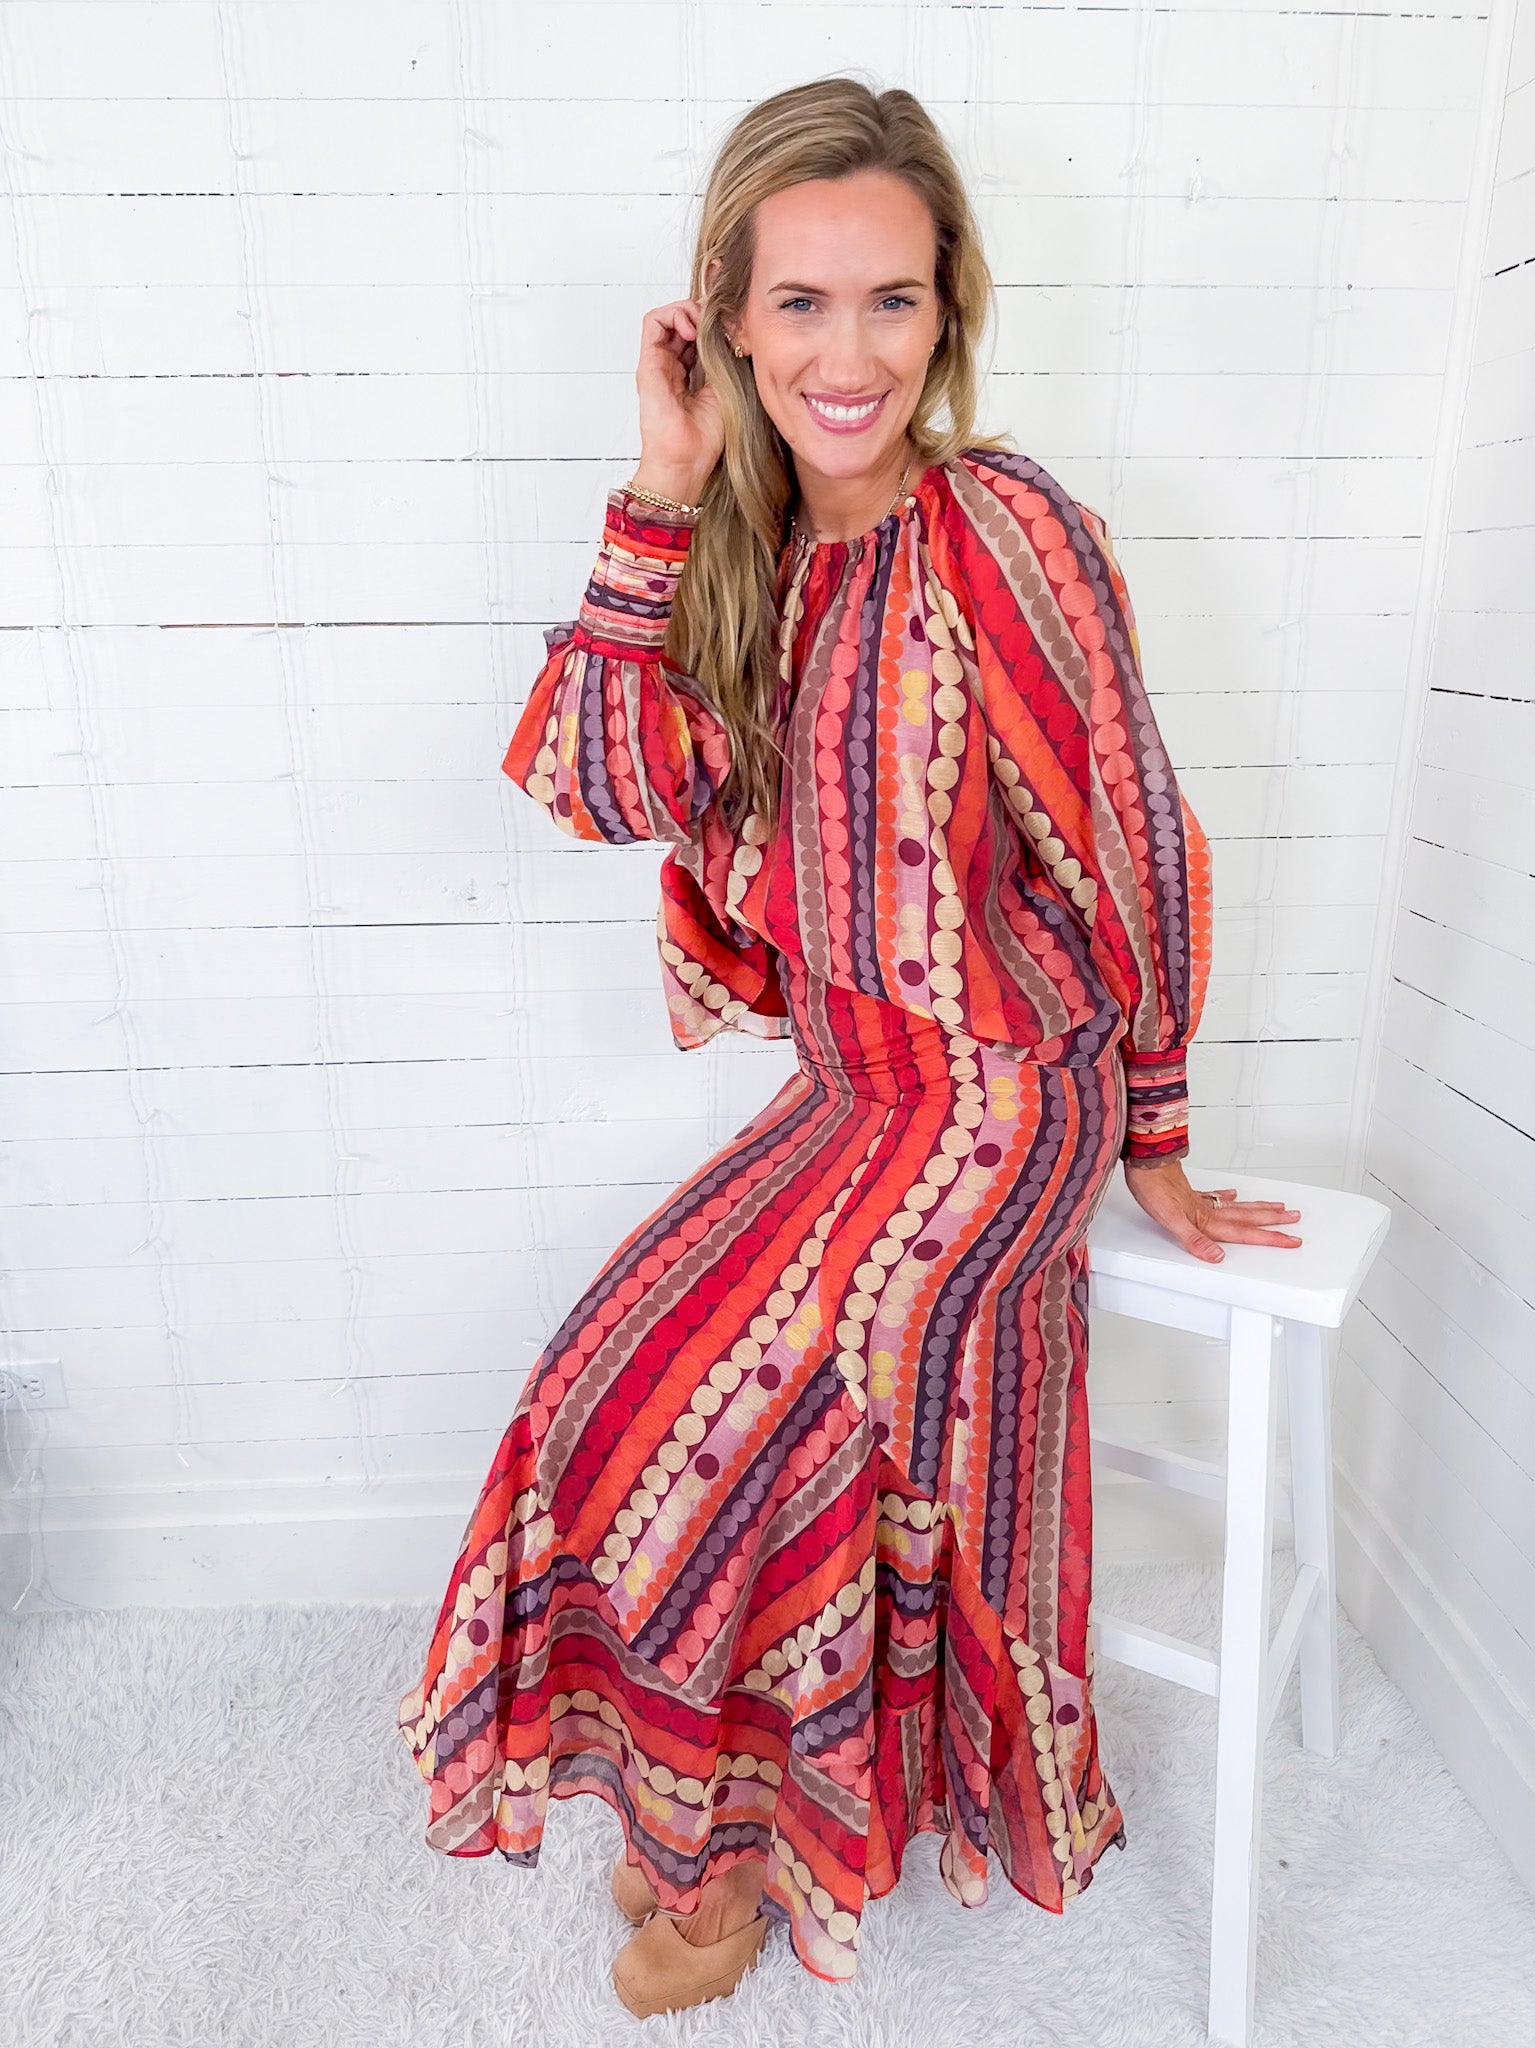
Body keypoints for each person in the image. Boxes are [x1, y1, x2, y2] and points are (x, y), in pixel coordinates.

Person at [396, 75, 1303, 2020]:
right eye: (799, 304)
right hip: (854, 1086)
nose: (847, 352)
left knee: (785, 1391)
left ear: (949, 313)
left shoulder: (1005, 527)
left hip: (1017, 1087)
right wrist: (656, 494)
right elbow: (597, 782)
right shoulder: (730, 560)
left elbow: (1132, 829)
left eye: (891, 301)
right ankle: (711, 1809)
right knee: (609, 1367)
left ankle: (731, 1859)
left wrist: (1151, 1127)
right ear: (722, 319)